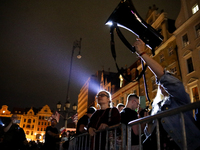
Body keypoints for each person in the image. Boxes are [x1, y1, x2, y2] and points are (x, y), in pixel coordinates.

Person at [133, 38, 200, 150]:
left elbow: (164, 77)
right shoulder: (156, 106)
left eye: (163, 82)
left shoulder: (180, 98)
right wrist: (148, 124)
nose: (160, 84)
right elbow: (150, 134)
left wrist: (142, 53)